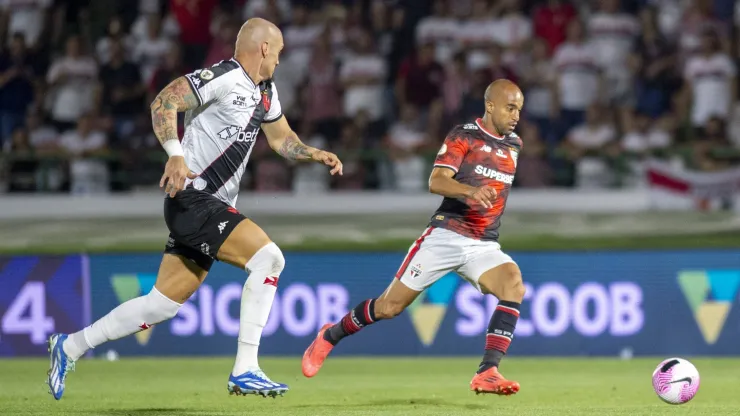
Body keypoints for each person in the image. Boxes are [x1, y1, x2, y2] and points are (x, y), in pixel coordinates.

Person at [46, 18, 343, 401]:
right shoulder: (222, 77)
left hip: (206, 207)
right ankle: (245, 369)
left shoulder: (266, 93)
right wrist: (175, 155)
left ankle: (68, 346)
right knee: (269, 260)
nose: (280, 62)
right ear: (265, 48)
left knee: (159, 305)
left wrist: (313, 153)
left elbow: (282, 139)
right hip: (194, 199)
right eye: (279, 52)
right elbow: (165, 101)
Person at [302, 79, 524, 396]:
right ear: (490, 105)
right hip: (446, 235)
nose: (516, 115)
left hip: (484, 243)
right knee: (389, 307)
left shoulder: (514, 144)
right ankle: (331, 335)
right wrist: (471, 191)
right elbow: (436, 181)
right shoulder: (464, 136)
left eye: (519, 109)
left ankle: (488, 371)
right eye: (510, 107)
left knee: (513, 283)